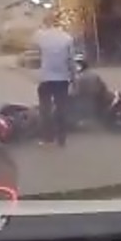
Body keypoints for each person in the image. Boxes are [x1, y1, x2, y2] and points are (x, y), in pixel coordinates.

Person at [32, 11, 75, 147]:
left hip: (45, 78)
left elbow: (35, 51)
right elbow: (71, 61)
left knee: (45, 108)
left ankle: (47, 138)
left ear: (46, 22)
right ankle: (61, 139)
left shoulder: (41, 36)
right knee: (61, 108)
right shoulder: (67, 38)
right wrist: (74, 77)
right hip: (62, 78)